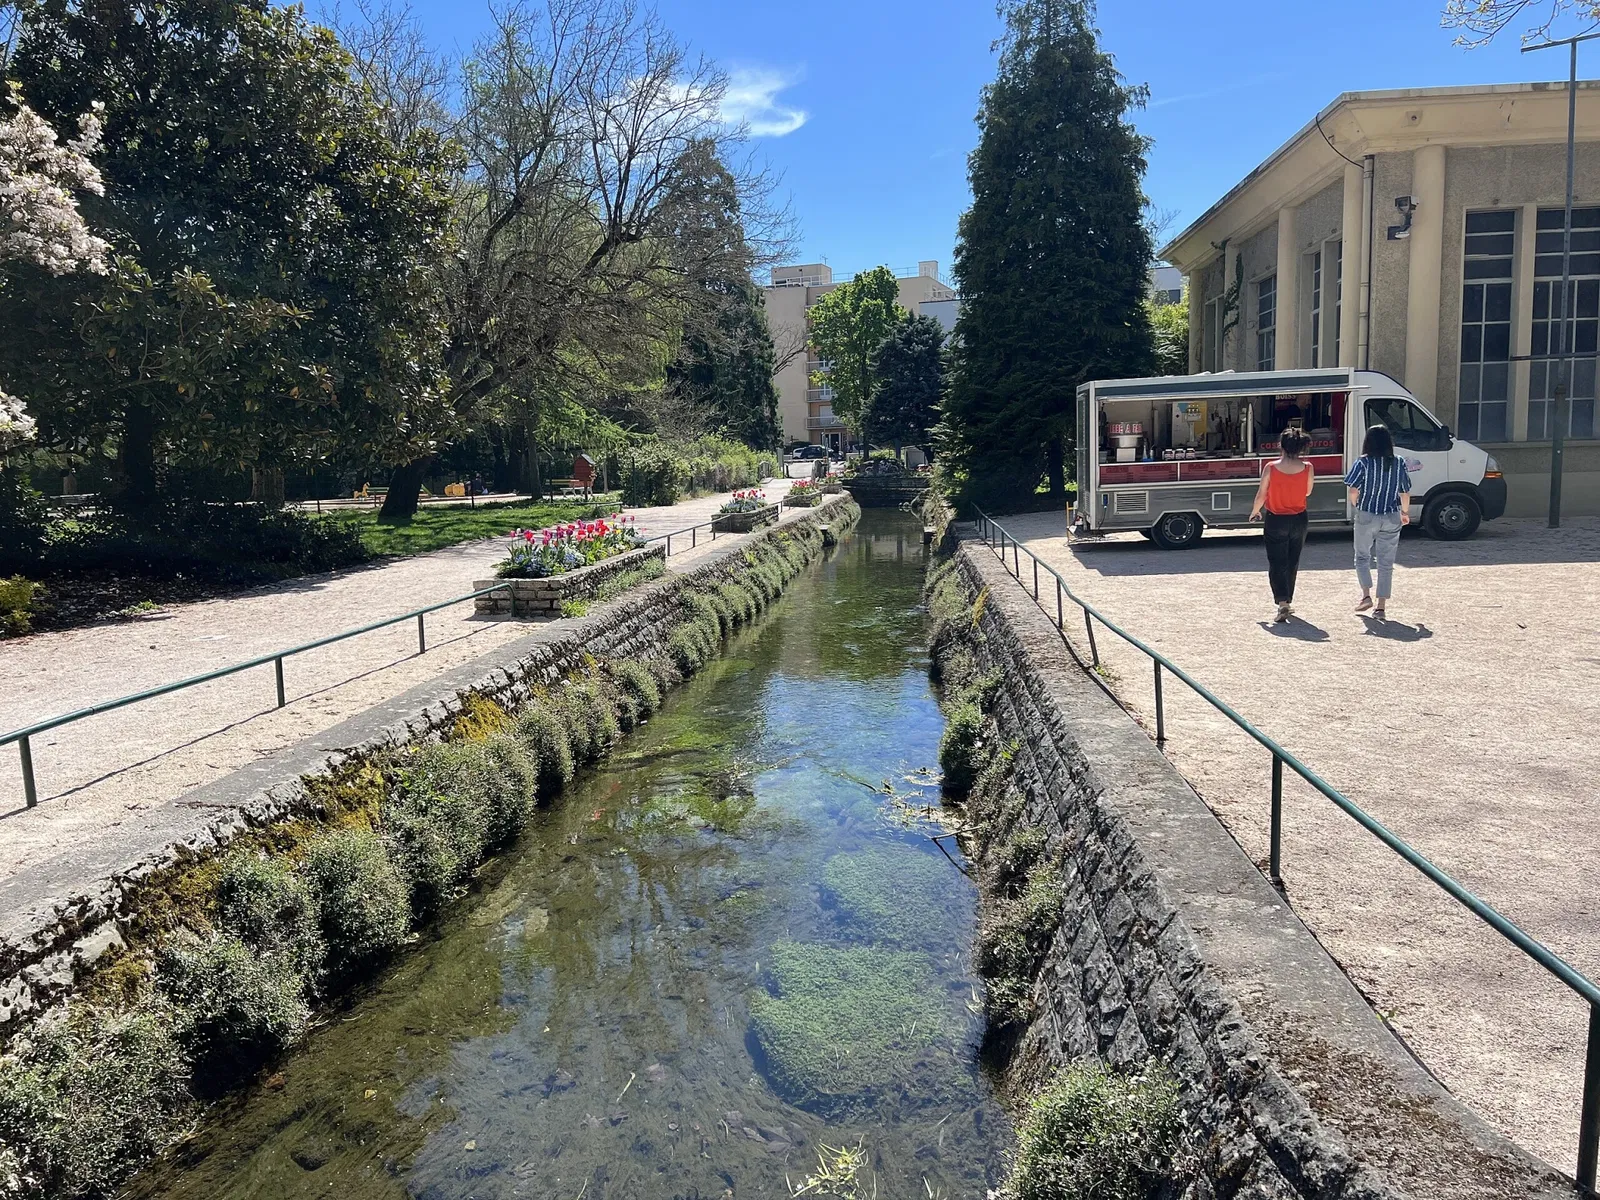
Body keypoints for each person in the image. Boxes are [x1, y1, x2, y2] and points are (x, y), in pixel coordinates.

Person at [1344, 425, 1412, 619]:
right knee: (1386, 562)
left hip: (1367, 514)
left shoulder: (1363, 463)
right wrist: (1404, 512)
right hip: (1391, 515)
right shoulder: (1398, 462)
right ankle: (1381, 606)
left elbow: (1353, 489)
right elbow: (1405, 491)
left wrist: (1357, 506)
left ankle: (1366, 595)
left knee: (1362, 556)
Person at [1249, 430, 1315, 622]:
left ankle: (1282, 602)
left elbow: (1261, 493)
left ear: (1282, 446)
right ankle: (1288, 599)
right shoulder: (1308, 467)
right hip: (1299, 518)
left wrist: (1255, 511)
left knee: (1277, 562)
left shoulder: (1271, 467)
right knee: (1292, 560)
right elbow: (1308, 492)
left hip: (1276, 518)